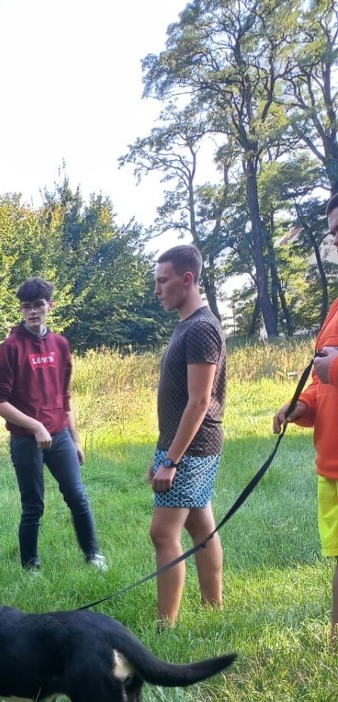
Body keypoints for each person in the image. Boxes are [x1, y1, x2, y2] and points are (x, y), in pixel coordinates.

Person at [0, 278, 106, 572]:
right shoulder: (11, 347)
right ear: (22, 310)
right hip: (25, 441)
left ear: (49, 306)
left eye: (38, 305)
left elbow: (65, 397)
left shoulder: (61, 345)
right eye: (26, 307)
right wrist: (35, 427)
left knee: (78, 496)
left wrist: (76, 439)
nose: (32, 312)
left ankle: (93, 556)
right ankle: (31, 567)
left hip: (60, 435)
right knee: (33, 506)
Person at [149, 245, 227, 627]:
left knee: (163, 533)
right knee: (200, 524)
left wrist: (171, 461)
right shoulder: (189, 325)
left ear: (188, 279)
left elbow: (199, 402)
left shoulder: (200, 328)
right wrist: (163, 452)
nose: (157, 289)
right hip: (187, 446)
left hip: (194, 448)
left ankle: (166, 626)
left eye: (162, 281)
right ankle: (214, 608)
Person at [273, 191, 338, 645]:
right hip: (331, 465)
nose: (335, 245)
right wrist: (304, 405)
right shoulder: (335, 306)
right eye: (334, 236)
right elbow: (322, 381)